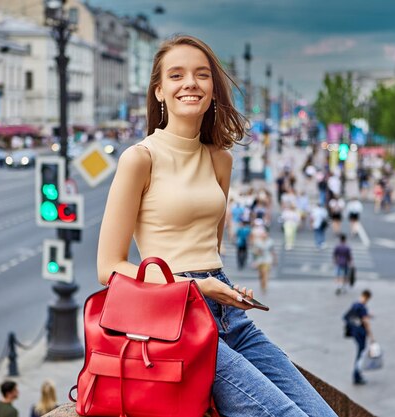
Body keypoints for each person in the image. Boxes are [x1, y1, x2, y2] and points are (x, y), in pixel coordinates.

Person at [96, 35, 337, 417]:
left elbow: (211, 248)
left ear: (212, 90)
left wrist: (222, 288)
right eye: (176, 75)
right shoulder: (139, 159)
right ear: (159, 91)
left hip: (228, 312)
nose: (190, 83)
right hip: (177, 320)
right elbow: (108, 267)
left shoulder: (220, 160)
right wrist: (193, 286)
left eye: (201, 75)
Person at [343, 290, 373, 385]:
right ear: (367, 297)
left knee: (359, 354)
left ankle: (357, 374)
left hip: (354, 332)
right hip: (360, 333)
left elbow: (347, 316)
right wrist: (371, 336)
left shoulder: (355, 304)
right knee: (360, 355)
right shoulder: (363, 308)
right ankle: (357, 375)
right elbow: (366, 322)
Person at [252, 228, 275, 293]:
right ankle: (262, 284)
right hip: (259, 260)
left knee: (265, 273)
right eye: (263, 234)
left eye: (265, 234)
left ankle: (265, 287)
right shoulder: (257, 241)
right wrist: (258, 252)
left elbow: (272, 250)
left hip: (268, 259)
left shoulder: (270, 241)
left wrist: (274, 259)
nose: (264, 235)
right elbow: (254, 251)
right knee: (261, 274)